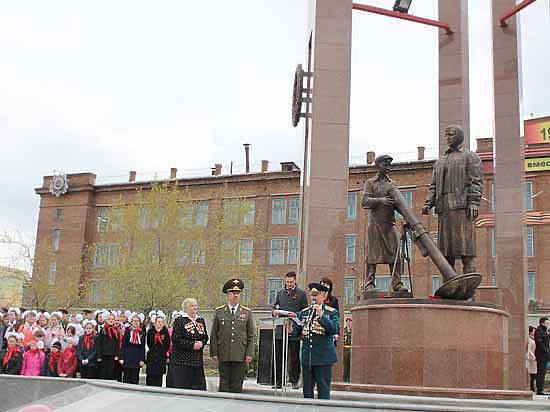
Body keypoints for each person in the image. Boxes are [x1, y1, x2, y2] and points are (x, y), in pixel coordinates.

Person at [422, 124, 483, 274]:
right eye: (446, 135)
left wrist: (474, 202)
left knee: (466, 251)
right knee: (446, 253)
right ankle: (449, 287)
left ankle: (469, 289)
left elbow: (476, 181)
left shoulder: (470, 156)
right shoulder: (440, 161)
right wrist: (429, 202)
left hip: (462, 209)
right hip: (444, 210)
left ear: (460, 136)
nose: (448, 137)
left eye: (451, 134)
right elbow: (434, 185)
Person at [361, 154, 409, 294]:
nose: (388, 167)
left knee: (396, 254)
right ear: (378, 166)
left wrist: (406, 218)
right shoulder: (370, 183)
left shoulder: (392, 184)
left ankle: (397, 284)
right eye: (385, 165)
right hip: (375, 224)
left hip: (389, 224)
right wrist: (380, 200)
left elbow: (399, 205)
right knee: (372, 255)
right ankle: (369, 283)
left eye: (389, 165)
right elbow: (364, 202)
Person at [290, 282, 339, 400]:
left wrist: (321, 315)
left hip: (323, 357)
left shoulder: (331, 312)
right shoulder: (304, 313)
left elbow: (334, 329)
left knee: (323, 391)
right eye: (312, 295)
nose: (313, 298)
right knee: (307, 392)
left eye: (316, 295)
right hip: (308, 357)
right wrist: (292, 330)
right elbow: (297, 333)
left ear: (323, 296)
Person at [210, 278, 255, 393]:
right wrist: (214, 352)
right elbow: (214, 333)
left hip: (240, 353)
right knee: (224, 382)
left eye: (237, 294)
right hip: (224, 352)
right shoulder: (219, 311)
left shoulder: (246, 312)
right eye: (233, 293)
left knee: (237, 383)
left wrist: (249, 353)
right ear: (227, 295)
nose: (235, 296)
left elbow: (251, 335)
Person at [272, 271, 308, 389]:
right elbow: (275, 307)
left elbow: (305, 312)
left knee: (294, 357)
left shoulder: (301, 294)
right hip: (281, 329)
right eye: (287, 282)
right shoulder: (280, 293)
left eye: (291, 282)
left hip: (294, 330)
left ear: (295, 281)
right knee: (279, 356)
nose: (289, 284)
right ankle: (279, 381)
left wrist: (296, 317)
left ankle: (294, 381)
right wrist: (274, 312)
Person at [169, 299, 209, 390]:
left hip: (197, 362)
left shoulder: (200, 320)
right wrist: (191, 345)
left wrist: (202, 343)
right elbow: (176, 339)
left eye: (195, 305)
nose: (195, 307)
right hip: (182, 362)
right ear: (185, 308)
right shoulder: (179, 320)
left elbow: (205, 337)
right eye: (192, 305)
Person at [145, 311, 171, 387]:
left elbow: (167, 344)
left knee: (158, 377)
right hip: (152, 357)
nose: (160, 323)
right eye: (158, 322)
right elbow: (149, 343)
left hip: (161, 357)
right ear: (155, 323)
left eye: (162, 322)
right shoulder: (151, 331)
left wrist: (163, 351)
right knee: (150, 376)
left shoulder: (165, 332)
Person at [119, 313, 146, 384]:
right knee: (126, 377)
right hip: (127, 356)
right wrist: (121, 357)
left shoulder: (142, 333)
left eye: (137, 321)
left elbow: (143, 347)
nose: (136, 322)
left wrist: (142, 359)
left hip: (136, 357)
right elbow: (123, 345)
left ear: (140, 322)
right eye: (134, 321)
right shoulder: (127, 331)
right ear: (131, 322)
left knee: (135, 378)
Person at [96, 311, 120, 380]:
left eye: (112, 319)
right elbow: (99, 344)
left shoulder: (116, 331)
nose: (111, 321)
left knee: (111, 371)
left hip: (112, 354)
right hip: (104, 354)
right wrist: (99, 356)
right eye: (109, 319)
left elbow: (117, 344)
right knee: (103, 371)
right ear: (106, 320)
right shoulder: (103, 330)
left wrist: (117, 354)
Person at [534, 317, 550, 395]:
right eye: (547, 323)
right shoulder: (539, 330)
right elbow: (539, 343)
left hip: (545, 355)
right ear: (542, 323)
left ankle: (541, 389)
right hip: (541, 356)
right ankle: (539, 390)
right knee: (540, 373)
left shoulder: (544, 331)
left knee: (543, 373)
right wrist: (546, 351)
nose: (548, 324)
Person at [526, 326, 537, 392]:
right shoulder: (529, 340)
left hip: (533, 358)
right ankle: (531, 387)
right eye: (533, 331)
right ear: (530, 332)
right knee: (532, 374)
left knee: (533, 374)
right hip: (531, 359)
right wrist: (533, 357)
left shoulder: (532, 339)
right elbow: (529, 350)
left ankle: (532, 387)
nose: (534, 332)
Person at [343, 317, 353, 383]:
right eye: (347, 321)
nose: (348, 322)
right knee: (345, 365)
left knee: (350, 365)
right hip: (345, 349)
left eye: (350, 321)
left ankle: (350, 378)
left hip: (351, 349)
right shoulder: (344, 330)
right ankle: (345, 378)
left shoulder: (354, 330)